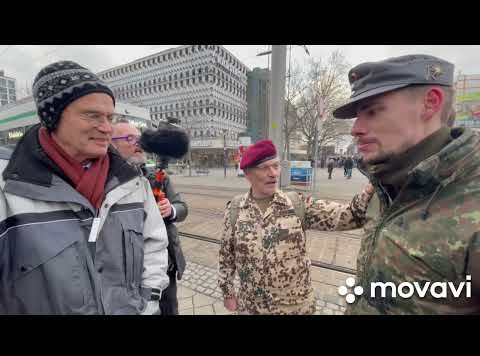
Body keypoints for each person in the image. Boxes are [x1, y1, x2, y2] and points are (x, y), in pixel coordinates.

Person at [0, 61, 169, 315]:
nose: (106, 128)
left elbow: (154, 244)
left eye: (109, 117)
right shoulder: (8, 192)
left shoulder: (133, 183)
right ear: (53, 118)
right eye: (92, 115)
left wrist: (149, 303)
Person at [333, 54, 480, 314]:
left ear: (430, 103)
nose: (355, 128)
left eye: (373, 110)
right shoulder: (387, 183)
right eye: (358, 114)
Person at [217, 139, 374, 315]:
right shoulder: (235, 209)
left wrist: (368, 192)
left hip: (295, 308)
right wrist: (227, 293)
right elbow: (226, 255)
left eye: (276, 166)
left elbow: (349, 216)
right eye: (264, 168)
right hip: (250, 307)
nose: (273, 173)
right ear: (248, 174)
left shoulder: (297, 203)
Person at [111, 120, 188, 315]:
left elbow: (182, 208)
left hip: (165, 264)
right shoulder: (108, 184)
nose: (138, 143)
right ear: (111, 144)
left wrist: (170, 210)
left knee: (170, 309)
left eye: (139, 137)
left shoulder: (157, 177)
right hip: (128, 273)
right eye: (129, 138)